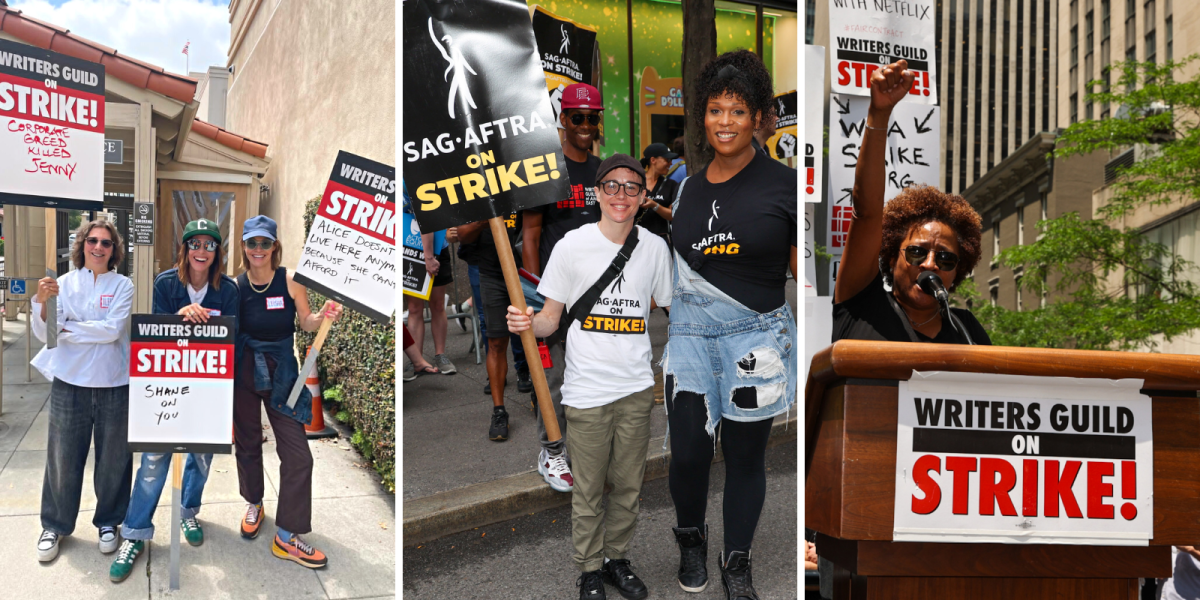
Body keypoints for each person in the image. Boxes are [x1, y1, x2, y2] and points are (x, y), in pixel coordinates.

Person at [662, 49, 797, 600]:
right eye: (715, 110)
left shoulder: (787, 187)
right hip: (691, 337)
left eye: (738, 112)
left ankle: (736, 562)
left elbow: (803, 273)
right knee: (689, 451)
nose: (724, 122)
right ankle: (691, 538)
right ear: (703, 116)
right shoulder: (687, 188)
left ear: (760, 118)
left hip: (756, 338)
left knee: (745, 457)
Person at [508, 154, 672, 600]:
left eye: (631, 188)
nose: (621, 195)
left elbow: (664, 304)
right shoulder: (571, 246)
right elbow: (550, 320)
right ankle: (589, 569)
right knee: (588, 489)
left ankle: (617, 560)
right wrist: (527, 322)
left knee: (628, 485)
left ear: (643, 197)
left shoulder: (655, 248)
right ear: (596, 193)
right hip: (585, 392)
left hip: (637, 388)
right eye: (612, 186)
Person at [109, 219, 239, 582]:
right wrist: (180, 316)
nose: (201, 251)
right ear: (185, 249)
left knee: (201, 455)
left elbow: (233, 335)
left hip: (209, 387)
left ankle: (188, 511)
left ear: (217, 252)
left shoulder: (226, 288)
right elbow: (154, 331)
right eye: (195, 244)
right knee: (153, 461)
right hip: (167, 388)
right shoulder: (167, 282)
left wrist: (206, 320)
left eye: (209, 245)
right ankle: (134, 534)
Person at [832, 59, 989, 346]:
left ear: (957, 272)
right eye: (917, 252)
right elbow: (866, 212)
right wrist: (879, 114)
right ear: (892, 257)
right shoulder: (861, 306)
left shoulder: (966, 331)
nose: (931, 264)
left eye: (945, 258)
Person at [233, 215, 343, 568]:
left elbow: (307, 322)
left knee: (298, 455)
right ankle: (254, 502)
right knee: (248, 443)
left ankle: (287, 536)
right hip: (245, 371)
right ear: (244, 247)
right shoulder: (236, 287)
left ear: (275, 246)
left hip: (283, 375)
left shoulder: (291, 280)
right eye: (252, 243)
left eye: (265, 243)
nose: (258, 249)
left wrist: (323, 316)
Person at [31, 220, 135, 563]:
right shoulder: (61, 284)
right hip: (69, 382)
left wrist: (69, 328)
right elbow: (47, 333)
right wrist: (43, 302)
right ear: (82, 244)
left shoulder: (123, 285)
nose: (99, 247)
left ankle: (109, 522)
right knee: (62, 458)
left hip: (114, 383)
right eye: (93, 241)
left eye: (106, 243)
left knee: (114, 460)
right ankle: (55, 524)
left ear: (114, 249)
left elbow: (111, 331)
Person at [520, 81, 604, 490]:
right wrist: (537, 296)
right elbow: (530, 237)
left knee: (592, 376)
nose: (585, 125)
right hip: (555, 295)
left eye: (592, 117)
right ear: (563, 120)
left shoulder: (604, 170)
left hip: (599, 297)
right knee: (554, 381)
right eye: (577, 117)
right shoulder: (546, 168)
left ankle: (584, 454)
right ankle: (551, 453)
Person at [457, 211, 540, 444]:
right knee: (495, 341)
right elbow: (462, 234)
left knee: (535, 335)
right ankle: (499, 411)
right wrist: (485, 219)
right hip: (492, 273)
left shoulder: (523, 181)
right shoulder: (479, 188)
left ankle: (540, 394)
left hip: (525, 272)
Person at [405, 230, 457, 375]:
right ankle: (416, 360)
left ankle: (440, 355)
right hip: (407, 245)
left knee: (438, 305)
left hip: (438, 246)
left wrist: (429, 257)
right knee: (414, 308)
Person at [637, 142, 679, 247]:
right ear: (653, 160)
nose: (670, 163)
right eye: (667, 160)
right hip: (637, 239)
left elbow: (672, 215)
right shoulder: (636, 182)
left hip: (662, 241)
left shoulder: (672, 185)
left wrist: (654, 205)